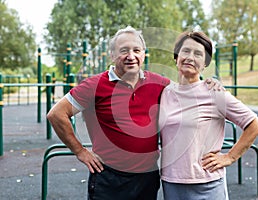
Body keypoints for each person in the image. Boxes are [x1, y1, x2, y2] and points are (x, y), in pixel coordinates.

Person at [47, 26, 222, 200]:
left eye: (136, 50)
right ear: (112, 55)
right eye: (124, 51)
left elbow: (188, 89)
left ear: (143, 54)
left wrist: (210, 82)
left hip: (146, 178)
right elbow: (56, 114)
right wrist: (80, 151)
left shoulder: (160, 83)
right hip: (109, 178)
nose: (131, 56)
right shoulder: (94, 85)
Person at [158, 31, 258, 200]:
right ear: (176, 56)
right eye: (186, 51)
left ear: (205, 63)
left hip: (207, 184)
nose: (190, 58)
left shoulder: (214, 93)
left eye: (198, 54)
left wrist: (229, 157)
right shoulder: (165, 93)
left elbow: (255, 125)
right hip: (172, 183)